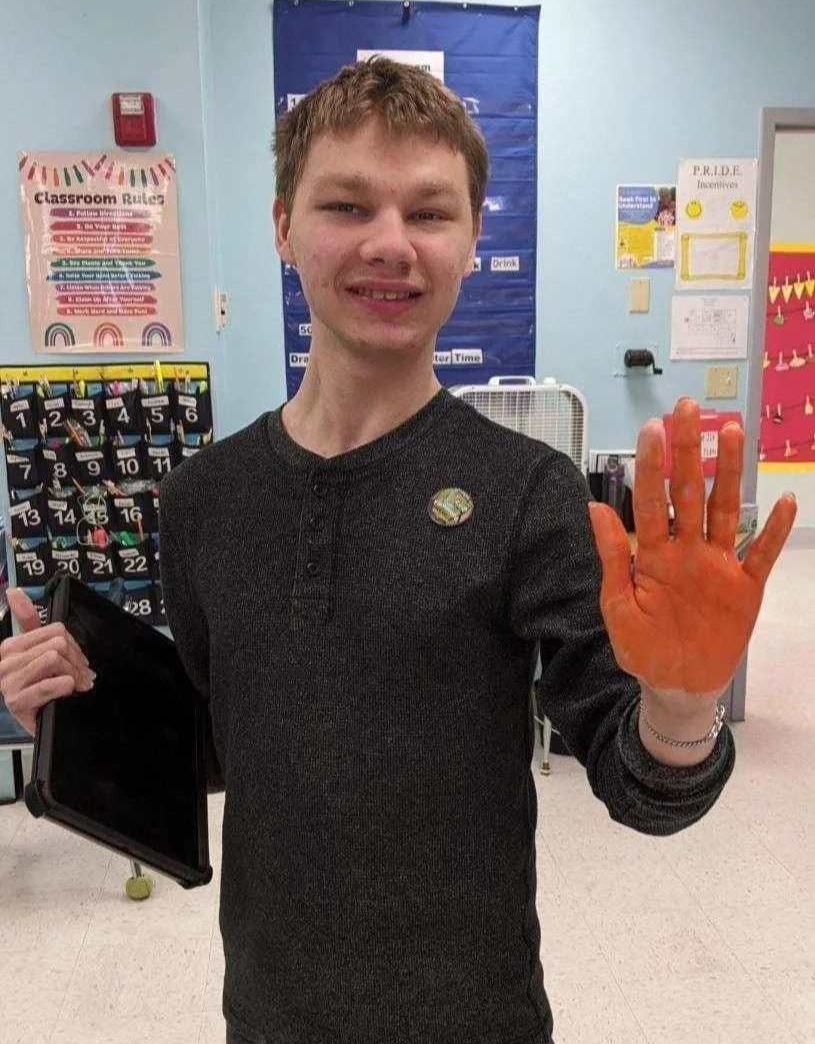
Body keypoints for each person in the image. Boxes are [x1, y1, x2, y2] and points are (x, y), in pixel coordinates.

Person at [0, 59, 796, 1044]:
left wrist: (680, 705)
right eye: (346, 204)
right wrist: (86, 708)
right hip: (267, 1010)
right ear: (283, 224)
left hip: (474, 1018)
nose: (390, 243)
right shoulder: (202, 498)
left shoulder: (524, 492)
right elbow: (220, 741)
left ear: (468, 241)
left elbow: (641, 792)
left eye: (429, 212)